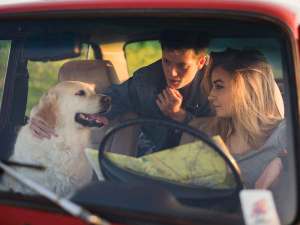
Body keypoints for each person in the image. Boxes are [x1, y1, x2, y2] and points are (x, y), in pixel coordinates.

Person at [30, 30, 212, 155]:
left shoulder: (217, 86)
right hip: (155, 164)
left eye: (182, 66)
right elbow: (112, 100)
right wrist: (45, 117)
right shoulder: (146, 81)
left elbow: (224, 133)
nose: (172, 73)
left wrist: (180, 116)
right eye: (166, 61)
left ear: (201, 62)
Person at [188, 48, 286, 189]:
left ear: (247, 88)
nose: (210, 96)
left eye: (219, 86)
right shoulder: (203, 134)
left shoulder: (284, 134)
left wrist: (281, 162)